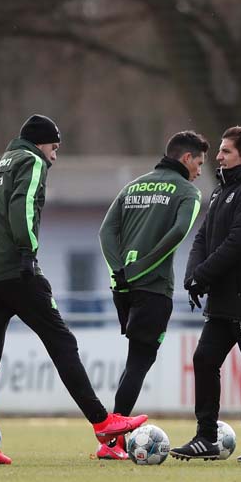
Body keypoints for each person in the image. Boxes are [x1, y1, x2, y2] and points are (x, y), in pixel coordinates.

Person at [0, 115, 146, 465]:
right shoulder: (30, 161)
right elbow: (22, 207)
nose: (54, 156)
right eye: (54, 147)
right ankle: (102, 423)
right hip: (16, 269)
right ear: (40, 143)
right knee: (61, 342)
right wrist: (26, 252)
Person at [170, 126, 241, 463]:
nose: (218, 157)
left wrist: (203, 276)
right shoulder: (223, 190)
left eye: (225, 151)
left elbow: (238, 244)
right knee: (204, 359)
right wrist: (193, 276)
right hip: (224, 297)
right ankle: (206, 437)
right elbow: (203, 237)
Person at [96, 131, 207, 460]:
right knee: (140, 362)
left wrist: (119, 271)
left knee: (134, 360)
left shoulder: (133, 186)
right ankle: (111, 441)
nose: (200, 170)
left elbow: (105, 232)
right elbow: (178, 232)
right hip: (154, 287)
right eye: (199, 163)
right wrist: (142, 268)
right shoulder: (187, 191)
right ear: (186, 158)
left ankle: (112, 437)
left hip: (123, 288)